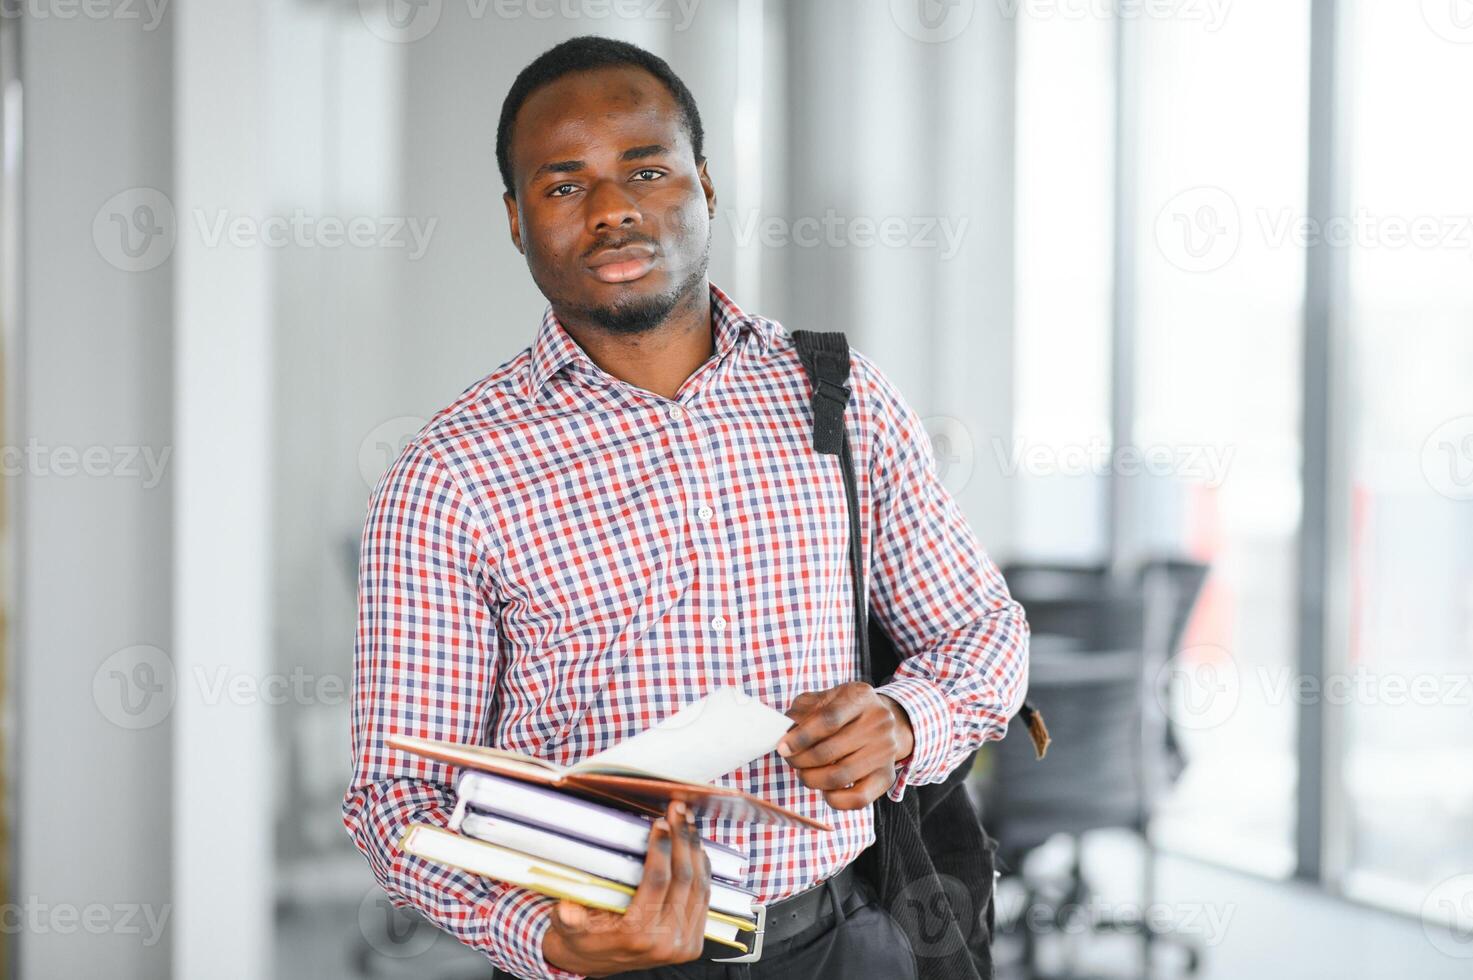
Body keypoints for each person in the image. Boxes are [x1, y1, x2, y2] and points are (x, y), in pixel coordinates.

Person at [342, 34, 1029, 980]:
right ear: (514, 219)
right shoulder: (451, 473)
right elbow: (396, 799)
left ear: (704, 183)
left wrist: (909, 721)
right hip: (603, 959)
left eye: (647, 168)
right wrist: (539, 936)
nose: (614, 208)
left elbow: (982, 632)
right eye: (562, 185)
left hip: (848, 937)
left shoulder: (838, 397)